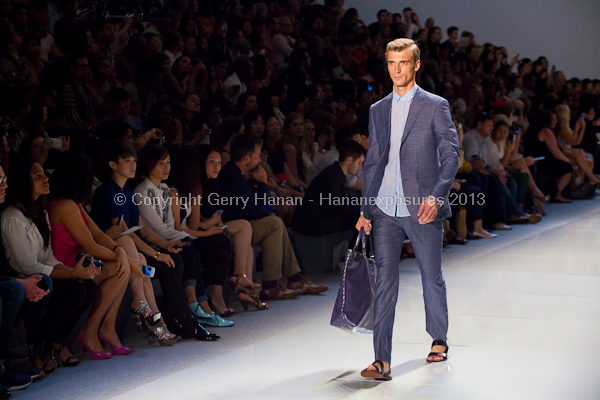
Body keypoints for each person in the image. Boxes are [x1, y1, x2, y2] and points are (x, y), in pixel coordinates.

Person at [356, 39, 459, 380]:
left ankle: (438, 338)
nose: (396, 69)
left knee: (431, 275)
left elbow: (451, 156)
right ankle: (380, 360)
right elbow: (372, 163)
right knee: (384, 281)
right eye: (390, 63)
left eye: (402, 62)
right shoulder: (377, 109)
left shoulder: (435, 105)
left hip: (422, 207)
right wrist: (365, 209)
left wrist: (435, 196)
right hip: (385, 207)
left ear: (416, 65)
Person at [90, 142, 219, 341]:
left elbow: (140, 230)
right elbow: (127, 235)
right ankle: (184, 320)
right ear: (112, 165)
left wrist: (164, 247)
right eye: (127, 161)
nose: (132, 165)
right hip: (117, 255)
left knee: (176, 259)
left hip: (133, 252)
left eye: (134, 161)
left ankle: (174, 318)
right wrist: (157, 253)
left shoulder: (126, 193)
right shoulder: (110, 193)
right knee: (165, 264)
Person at [1, 158, 97, 369]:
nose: (46, 179)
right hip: (24, 279)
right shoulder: (12, 216)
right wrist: (71, 274)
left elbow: (49, 257)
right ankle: (37, 346)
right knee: (72, 291)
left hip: (41, 274)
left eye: (44, 174)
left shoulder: (39, 211)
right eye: (38, 176)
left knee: (87, 287)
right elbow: (27, 266)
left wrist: (74, 271)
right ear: (23, 183)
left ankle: (54, 341)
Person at [209, 134, 328, 299]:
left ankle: (293, 280)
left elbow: (252, 209)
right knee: (274, 224)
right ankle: (274, 284)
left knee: (275, 221)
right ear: (246, 158)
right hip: (232, 229)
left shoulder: (236, 174)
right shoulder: (233, 177)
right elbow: (254, 211)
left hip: (242, 225)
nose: (260, 160)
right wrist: (263, 183)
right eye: (258, 156)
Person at [47, 151, 137, 360]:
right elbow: (90, 245)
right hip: (67, 271)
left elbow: (97, 233)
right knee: (120, 268)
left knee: (121, 268)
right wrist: (121, 256)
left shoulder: (73, 202)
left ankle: (103, 329)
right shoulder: (65, 205)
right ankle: (93, 331)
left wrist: (119, 251)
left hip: (77, 264)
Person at [133, 144, 229, 329]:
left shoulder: (166, 190)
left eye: (168, 162)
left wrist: (186, 235)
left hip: (167, 240)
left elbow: (169, 224)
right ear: (149, 164)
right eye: (161, 163)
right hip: (151, 245)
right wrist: (191, 235)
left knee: (193, 250)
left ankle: (198, 305)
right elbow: (158, 229)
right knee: (188, 248)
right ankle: (196, 303)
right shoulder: (141, 193)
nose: (167, 167)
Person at [293, 141, 365, 236]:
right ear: (349, 160)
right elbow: (338, 206)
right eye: (359, 163)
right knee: (361, 219)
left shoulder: (337, 173)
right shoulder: (332, 176)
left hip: (322, 217)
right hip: (313, 223)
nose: (360, 167)